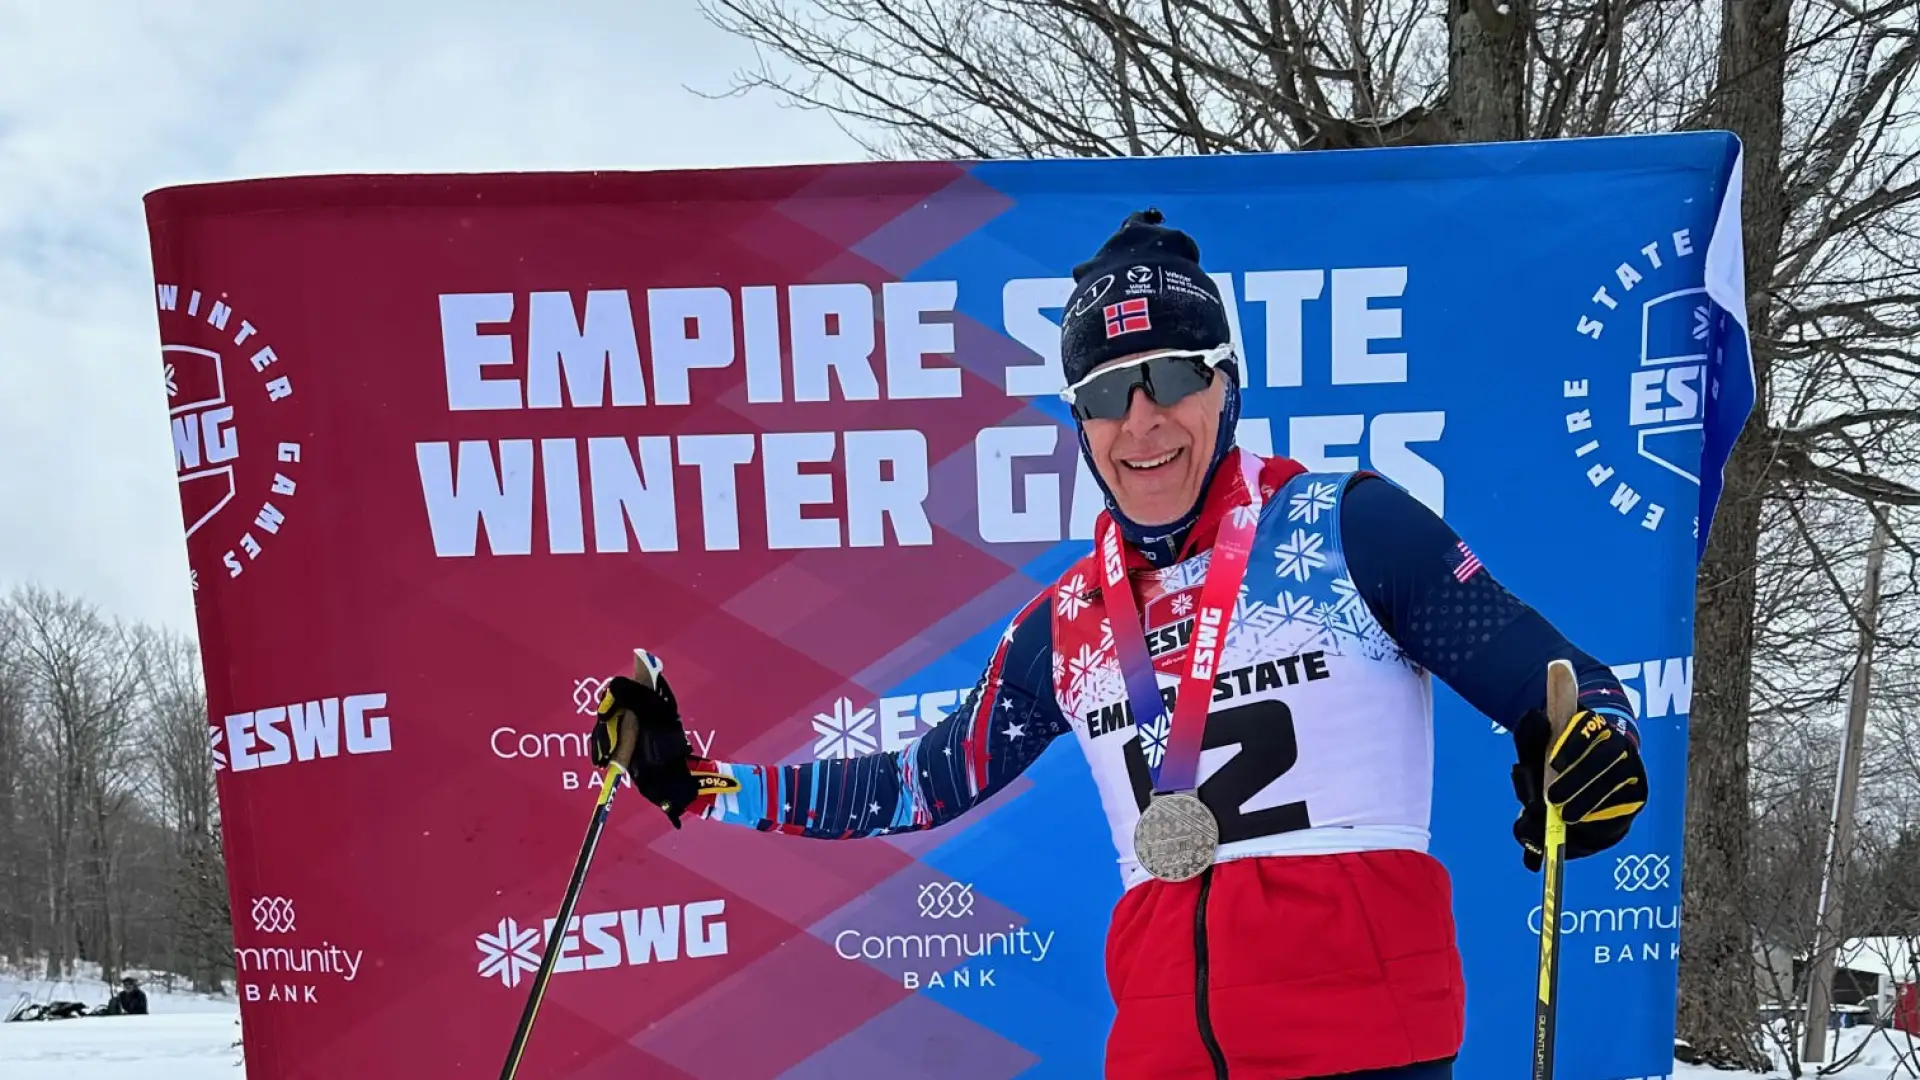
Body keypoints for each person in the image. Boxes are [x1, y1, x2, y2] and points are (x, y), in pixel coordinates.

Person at [588, 209, 1649, 1080]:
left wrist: (1592, 745)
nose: (1143, 422)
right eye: (1106, 393)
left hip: (1363, 1050)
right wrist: (697, 783)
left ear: (1225, 385)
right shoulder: (1072, 618)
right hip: (1163, 1055)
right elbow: (926, 779)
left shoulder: (1350, 526)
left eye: (1173, 378)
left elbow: (1559, 683)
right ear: (1079, 423)